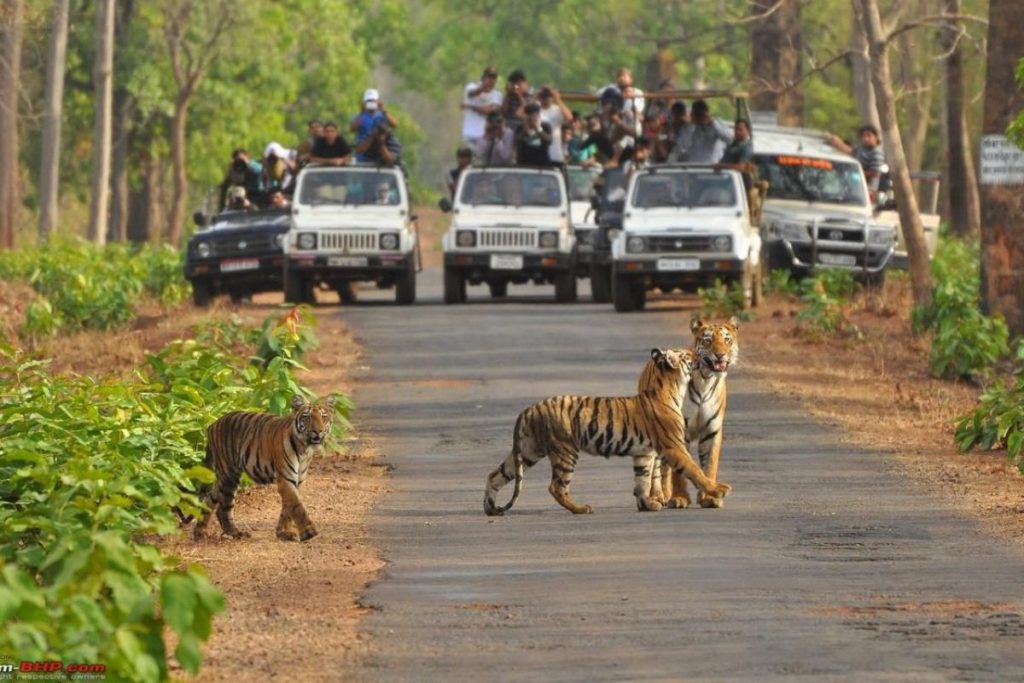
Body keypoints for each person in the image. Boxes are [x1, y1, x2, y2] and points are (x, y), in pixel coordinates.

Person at [350, 89, 399, 161]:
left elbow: (395, 124)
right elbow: (352, 129)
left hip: (381, 151)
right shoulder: (359, 116)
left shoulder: (383, 115)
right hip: (362, 154)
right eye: (369, 101)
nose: (371, 104)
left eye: (373, 101)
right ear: (364, 102)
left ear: (378, 101)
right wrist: (362, 112)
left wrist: (383, 110)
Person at [461, 66, 503, 146]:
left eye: (494, 77)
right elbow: (471, 94)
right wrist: (483, 88)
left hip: (485, 137)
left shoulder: (497, 95)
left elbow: (490, 111)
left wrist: (470, 107)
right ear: (483, 77)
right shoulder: (471, 87)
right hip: (469, 135)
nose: (491, 80)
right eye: (489, 76)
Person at [536, 87, 572, 166]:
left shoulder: (557, 109)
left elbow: (569, 117)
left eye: (548, 96)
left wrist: (557, 99)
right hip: (537, 153)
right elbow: (519, 115)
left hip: (555, 153)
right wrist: (534, 98)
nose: (546, 98)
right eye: (543, 96)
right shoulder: (536, 109)